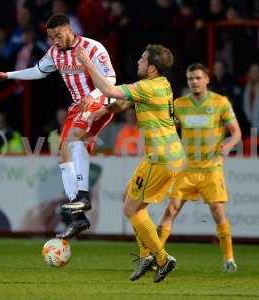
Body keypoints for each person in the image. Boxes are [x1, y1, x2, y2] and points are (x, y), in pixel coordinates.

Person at [0, 14, 116, 239]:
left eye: (58, 35)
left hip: (100, 99)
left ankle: (82, 196)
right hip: (78, 106)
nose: (54, 40)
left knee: (75, 140)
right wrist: (8, 75)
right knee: (64, 153)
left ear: (69, 30)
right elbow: (38, 70)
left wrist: (93, 95)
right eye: (50, 37)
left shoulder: (92, 48)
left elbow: (110, 78)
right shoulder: (54, 53)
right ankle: (78, 218)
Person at [76, 44, 184, 282]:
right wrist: (100, 113)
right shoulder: (162, 84)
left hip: (162, 158)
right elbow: (124, 102)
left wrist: (86, 61)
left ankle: (163, 259)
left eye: (143, 59)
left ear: (152, 68)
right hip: (163, 156)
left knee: (131, 209)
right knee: (128, 198)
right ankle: (146, 257)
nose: (138, 61)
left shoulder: (147, 86)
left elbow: (109, 89)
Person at [138, 63, 241, 275]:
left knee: (218, 213)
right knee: (170, 211)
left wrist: (229, 145)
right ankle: (156, 258)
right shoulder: (179, 104)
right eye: (190, 78)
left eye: (197, 78)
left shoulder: (220, 103)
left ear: (207, 79)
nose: (194, 82)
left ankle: (229, 258)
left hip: (211, 168)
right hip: (185, 168)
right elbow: (167, 128)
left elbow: (236, 132)